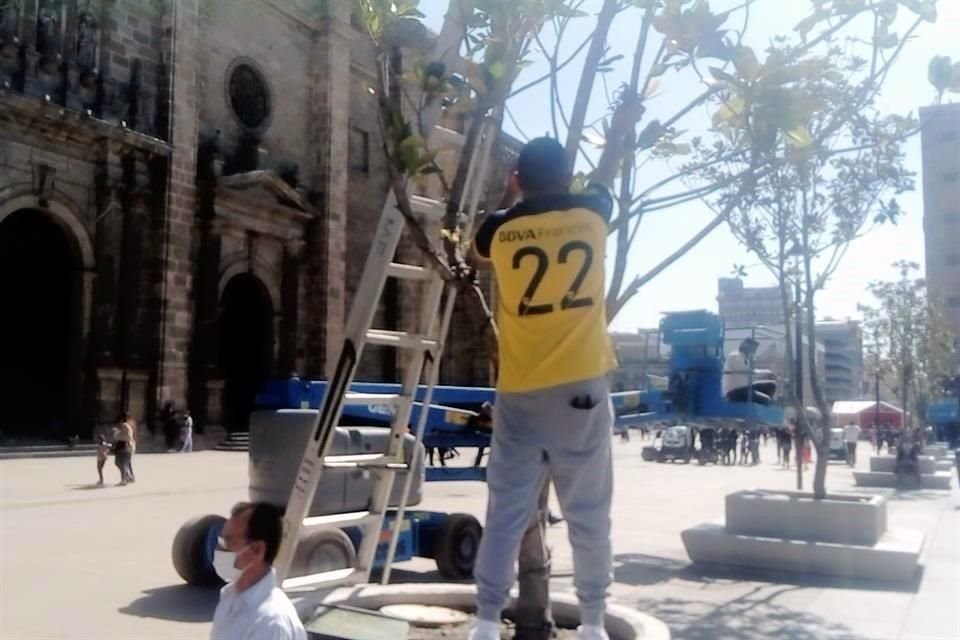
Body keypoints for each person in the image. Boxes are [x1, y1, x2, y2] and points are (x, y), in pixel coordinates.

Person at [467, 95, 646, 640]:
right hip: (582, 388)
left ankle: (483, 623)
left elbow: (479, 240)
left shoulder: (498, 231)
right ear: (568, 176)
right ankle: (592, 621)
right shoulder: (591, 213)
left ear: (519, 177)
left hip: (520, 392)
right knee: (589, 511)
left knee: (504, 515)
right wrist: (619, 129)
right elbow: (606, 177)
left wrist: (508, 195)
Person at [211, 502, 306, 640]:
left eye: (228, 541)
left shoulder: (270, 623)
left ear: (257, 550)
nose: (219, 548)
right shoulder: (230, 597)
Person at [722, 338, 777, 405]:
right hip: (735, 391)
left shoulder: (744, 357)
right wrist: (765, 372)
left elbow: (749, 373)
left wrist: (766, 372)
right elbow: (747, 372)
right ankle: (759, 406)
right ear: (746, 347)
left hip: (746, 388)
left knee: (771, 385)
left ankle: (760, 405)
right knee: (766, 400)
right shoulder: (736, 356)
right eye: (753, 350)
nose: (754, 352)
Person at [112, 414, 135, 485]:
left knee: (120, 463)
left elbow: (126, 436)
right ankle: (129, 477)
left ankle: (124, 479)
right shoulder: (127, 426)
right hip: (128, 446)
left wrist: (116, 434)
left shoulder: (124, 425)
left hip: (124, 446)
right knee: (126, 463)